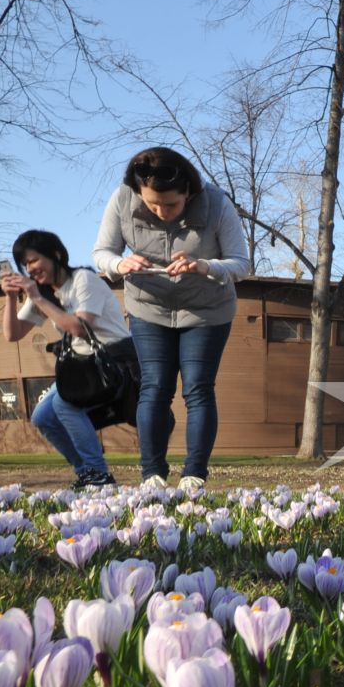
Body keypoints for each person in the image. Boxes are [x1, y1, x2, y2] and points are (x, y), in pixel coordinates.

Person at [92, 146, 250, 490]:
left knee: (197, 388)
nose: (162, 212)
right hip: (148, 308)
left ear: (189, 192)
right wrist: (120, 264)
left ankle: (194, 474)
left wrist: (205, 266)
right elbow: (101, 253)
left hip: (206, 311)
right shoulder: (121, 200)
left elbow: (241, 263)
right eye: (152, 205)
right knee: (154, 387)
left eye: (172, 205)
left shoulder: (217, 203)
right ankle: (152, 475)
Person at [0, 229, 135, 488]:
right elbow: (13, 334)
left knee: (65, 405)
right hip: (82, 366)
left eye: (34, 260)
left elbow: (79, 328)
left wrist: (38, 298)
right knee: (42, 416)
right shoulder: (43, 292)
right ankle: (86, 470)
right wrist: (10, 298)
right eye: (25, 264)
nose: (30, 269)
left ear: (56, 254)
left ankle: (98, 472)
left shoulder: (83, 279)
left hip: (113, 360)